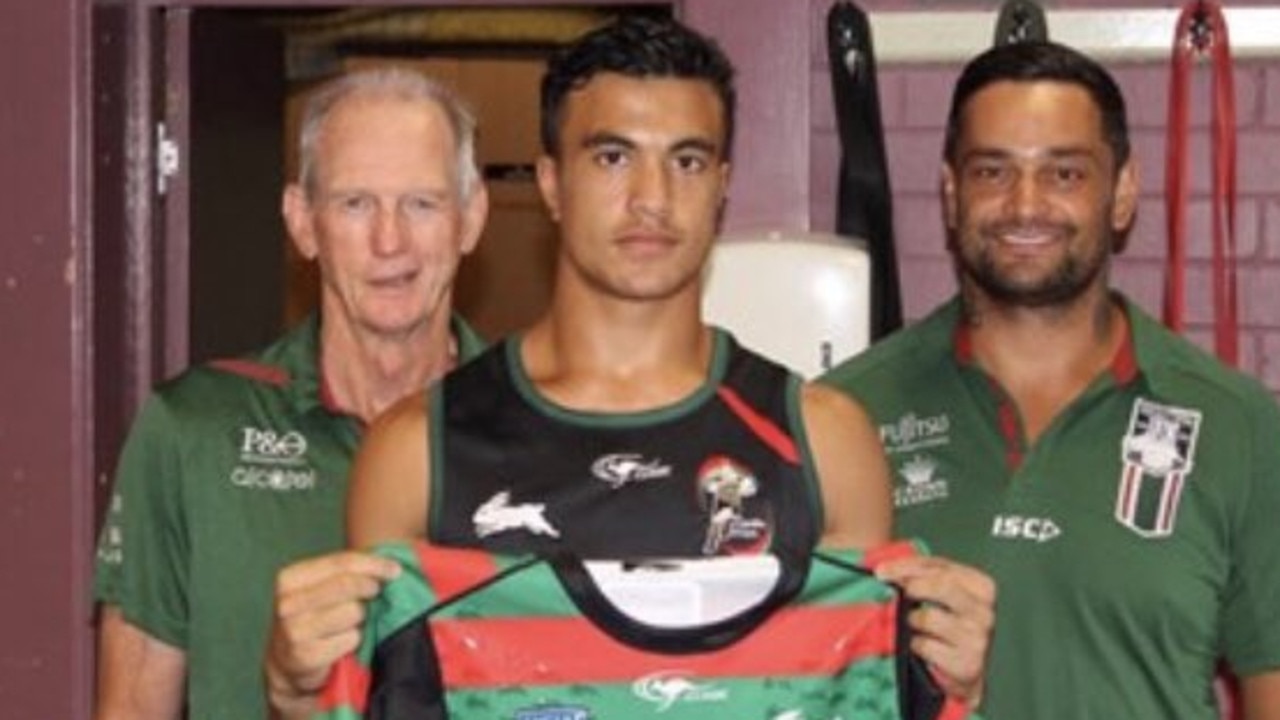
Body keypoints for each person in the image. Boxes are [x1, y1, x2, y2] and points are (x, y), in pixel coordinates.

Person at [265, 16, 993, 719]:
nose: (652, 199)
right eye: (612, 157)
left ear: (722, 185)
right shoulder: (416, 451)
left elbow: (855, 698)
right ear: (551, 182)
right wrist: (297, 695)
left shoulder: (825, 442)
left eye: (687, 160)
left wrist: (954, 689)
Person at [822, 40, 1280, 719]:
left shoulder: (1238, 424)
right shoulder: (847, 413)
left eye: (1064, 174)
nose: (1025, 205)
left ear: (1121, 193)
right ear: (951, 194)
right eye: (991, 172)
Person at [93, 67, 489, 720]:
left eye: (422, 203)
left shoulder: (541, 430)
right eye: (355, 203)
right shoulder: (192, 431)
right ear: (303, 223)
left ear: (470, 219)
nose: (390, 240)